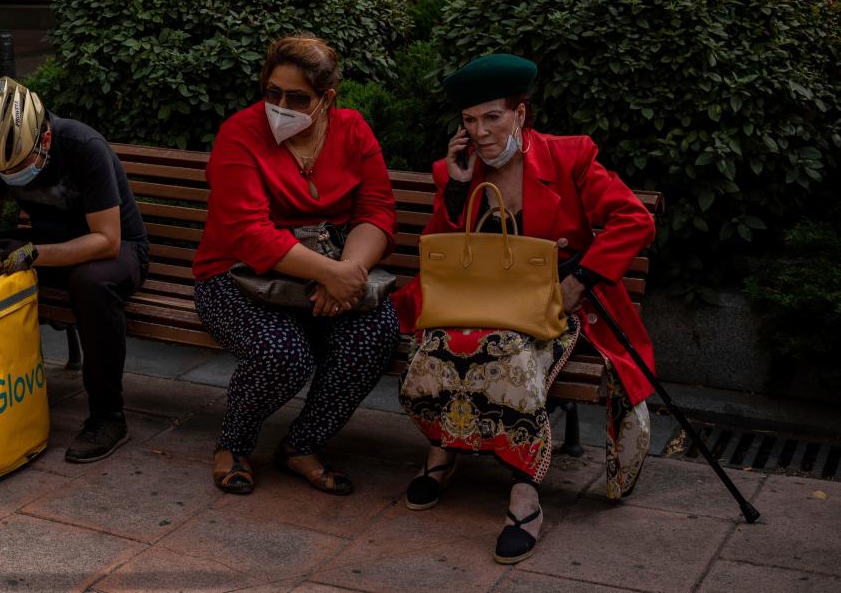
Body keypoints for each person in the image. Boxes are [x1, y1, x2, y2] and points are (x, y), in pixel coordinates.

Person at [392, 53, 656, 564]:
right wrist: (455, 190)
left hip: (552, 307)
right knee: (439, 345)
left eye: (493, 116)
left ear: (520, 113)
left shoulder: (570, 157)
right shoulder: (459, 171)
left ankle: (524, 492)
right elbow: (440, 256)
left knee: (507, 356)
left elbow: (634, 220)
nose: (482, 131)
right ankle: (444, 449)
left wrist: (578, 279)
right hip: (476, 301)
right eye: (470, 120)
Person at [192, 35, 400, 496]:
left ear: (326, 99)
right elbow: (248, 233)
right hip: (237, 278)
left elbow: (377, 211)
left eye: (296, 97)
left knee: (375, 335)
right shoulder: (240, 133)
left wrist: (347, 272)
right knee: (282, 353)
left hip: (327, 275)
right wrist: (329, 274)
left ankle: (302, 445)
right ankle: (235, 444)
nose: (279, 105)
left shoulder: (352, 131)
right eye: (272, 93)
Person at [0, 77, 148, 462]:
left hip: (115, 251)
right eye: (2, 169)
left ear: (43, 140)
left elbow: (107, 240)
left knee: (91, 284)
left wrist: (30, 255)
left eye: (18, 165)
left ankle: (107, 416)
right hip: (46, 245)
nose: (9, 174)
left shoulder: (83, 147)